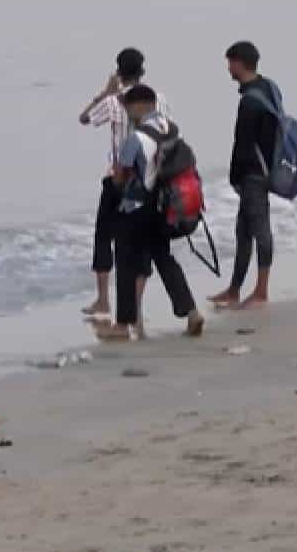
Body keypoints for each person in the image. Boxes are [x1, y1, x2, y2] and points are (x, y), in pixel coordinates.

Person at [97, 85, 205, 340]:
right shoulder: (171, 128)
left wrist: (115, 183)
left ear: (139, 105)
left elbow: (121, 177)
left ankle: (123, 325)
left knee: (125, 261)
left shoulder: (136, 139)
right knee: (164, 259)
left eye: (127, 107)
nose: (126, 111)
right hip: (165, 206)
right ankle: (191, 312)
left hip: (139, 207)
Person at [77, 48, 169, 318]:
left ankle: (103, 299)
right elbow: (169, 129)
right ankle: (136, 304)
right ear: (143, 70)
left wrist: (105, 92)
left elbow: (84, 119)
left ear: (119, 71)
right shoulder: (158, 99)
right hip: (148, 179)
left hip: (117, 177)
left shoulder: (114, 102)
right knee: (139, 241)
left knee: (104, 236)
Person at [209, 41, 276, 310]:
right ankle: (235, 290)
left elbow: (243, 144)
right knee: (243, 231)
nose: (228, 68)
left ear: (238, 63)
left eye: (229, 62)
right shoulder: (269, 87)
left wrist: (234, 179)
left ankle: (261, 290)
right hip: (264, 170)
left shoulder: (250, 102)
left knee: (260, 231)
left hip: (253, 175)